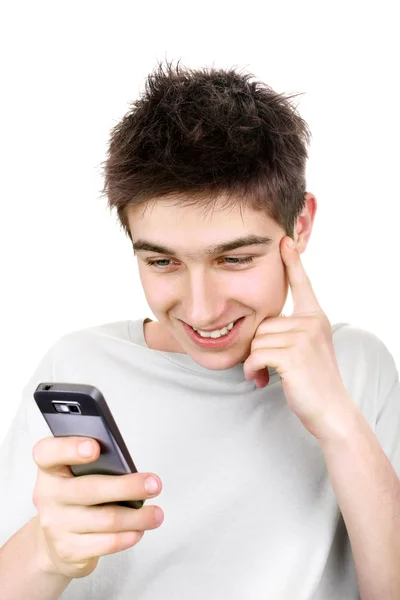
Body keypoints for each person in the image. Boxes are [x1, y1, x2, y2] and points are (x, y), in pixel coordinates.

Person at [0, 60, 399, 600]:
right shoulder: (78, 366)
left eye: (235, 259)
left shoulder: (356, 364)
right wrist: (47, 553)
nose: (203, 309)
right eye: (162, 263)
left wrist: (339, 424)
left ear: (299, 226)